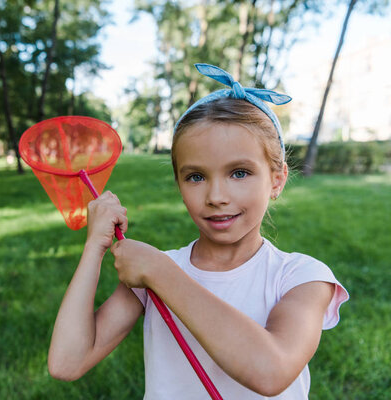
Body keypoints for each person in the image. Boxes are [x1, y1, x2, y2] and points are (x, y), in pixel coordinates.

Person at [47, 64, 349, 399]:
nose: (216, 197)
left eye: (239, 173)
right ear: (179, 184)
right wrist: (94, 247)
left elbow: (272, 371)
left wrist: (160, 273)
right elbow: (66, 362)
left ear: (276, 180)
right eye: (196, 177)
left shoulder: (302, 277)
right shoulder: (153, 272)